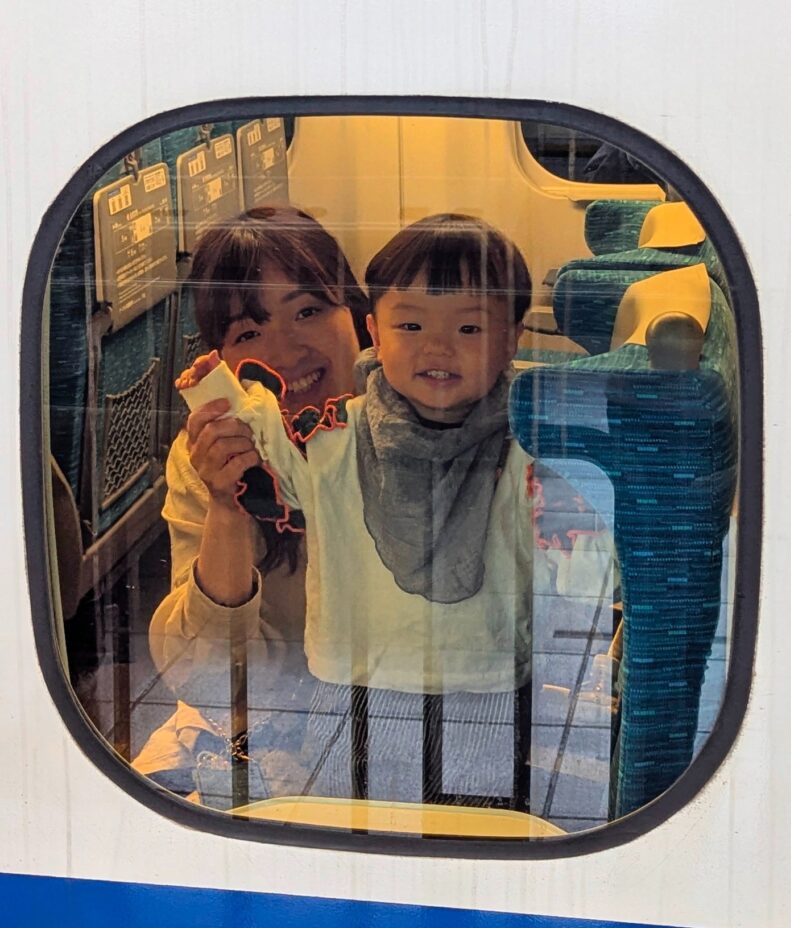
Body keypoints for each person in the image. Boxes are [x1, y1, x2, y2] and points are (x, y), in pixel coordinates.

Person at [173, 213, 615, 804]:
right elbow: (268, 454)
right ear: (377, 332)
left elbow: (587, 574)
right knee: (343, 817)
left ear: (512, 338)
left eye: (469, 327)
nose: (437, 346)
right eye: (411, 324)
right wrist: (218, 409)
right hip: (347, 681)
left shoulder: (532, 442)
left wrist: (575, 527)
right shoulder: (328, 439)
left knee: (477, 819)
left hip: (483, 683)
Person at [138, 206, 369, 794]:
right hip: (277, 715)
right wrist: (227, 506)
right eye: (248, 333)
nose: (284, 351)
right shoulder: (210, 461)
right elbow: (215, 682)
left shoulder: (417, 427)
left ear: (358, 316)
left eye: (308, 311)